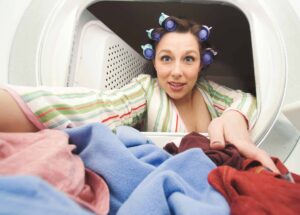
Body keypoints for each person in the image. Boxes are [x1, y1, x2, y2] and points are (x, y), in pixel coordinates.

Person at [0, 13, 279, 173]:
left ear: (201, 64)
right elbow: (104, 106)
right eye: (166, 59)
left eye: (189, 59)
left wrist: (232, 119)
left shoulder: (207, 91)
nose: (177, 72)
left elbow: (245, 100)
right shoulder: (147, 90)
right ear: (154, 61)